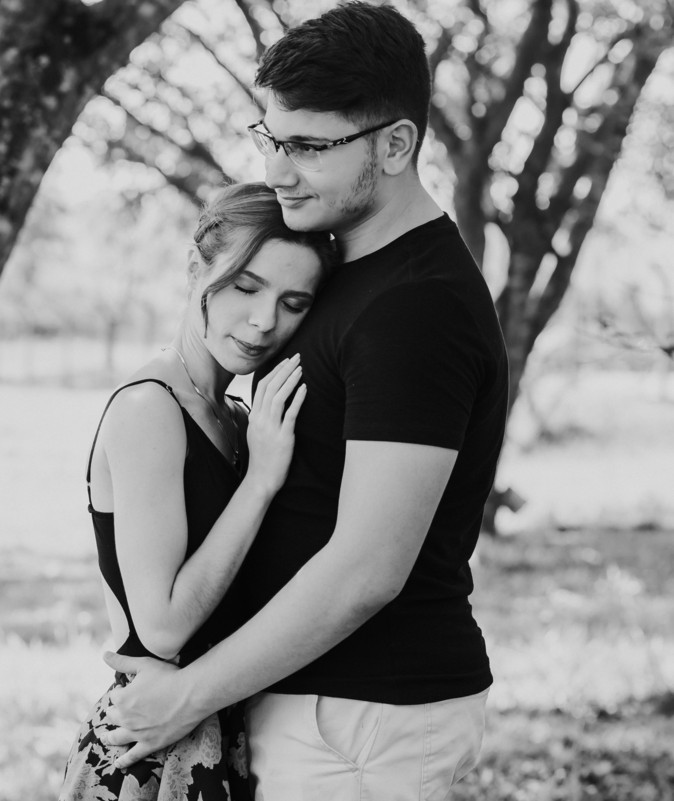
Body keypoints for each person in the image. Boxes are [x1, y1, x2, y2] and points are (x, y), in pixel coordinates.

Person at [100, 4, 510, 800]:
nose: (279, 171)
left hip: (364, 714)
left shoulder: (416, 306)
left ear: (396, 145)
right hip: (315, 705)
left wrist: (188, 694)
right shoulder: (340, 271)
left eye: (310, 148)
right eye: (272, 139)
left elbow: (367, 569)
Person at [58, 182, 338, 800]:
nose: (265, 321)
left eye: (293, 302)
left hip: (222, 727)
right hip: (152, 750)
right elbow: (162, 628)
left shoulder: (237, 417)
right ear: (195, 270)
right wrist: (260, 482)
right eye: (246, 287)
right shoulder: (149, 408)